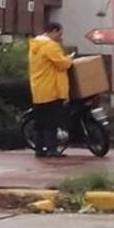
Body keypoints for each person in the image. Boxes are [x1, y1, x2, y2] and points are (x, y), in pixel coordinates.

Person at [28, 22, 74, 158]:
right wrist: (69, 58)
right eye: (60, 34)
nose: (61, 37)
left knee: (40, 122)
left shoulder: (35, 46)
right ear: (53, 31)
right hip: (51, 89)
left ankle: (39, 149)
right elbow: (62, 64)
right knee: (51, 122)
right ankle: (52, 149)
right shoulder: (50, 46)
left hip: (38, 89)